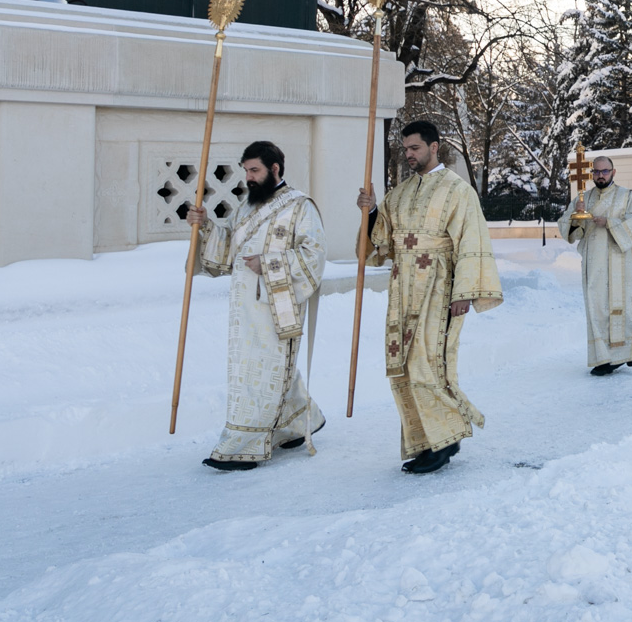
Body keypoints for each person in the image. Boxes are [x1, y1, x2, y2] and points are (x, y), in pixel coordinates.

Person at [358, 119, 503, 475]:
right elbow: (380, 243)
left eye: (415, 148)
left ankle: (444, 440)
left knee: (428, 364)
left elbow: (473, 242)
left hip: (438, 288)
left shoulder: (458, 190)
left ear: (434, 147)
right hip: (403, 289)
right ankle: (428, 440)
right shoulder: (401, 192)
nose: (408, 155)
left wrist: (465, 292)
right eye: (404, 149)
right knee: (403, 367)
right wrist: (372, 209)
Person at [188, 140, 326, 472]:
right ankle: (297, 422)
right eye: (246, 170)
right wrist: (205, 225)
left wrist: (269, 263)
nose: (248, 177)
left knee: (262, 374)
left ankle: (243, 444)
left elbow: (314, 255)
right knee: (264, 371)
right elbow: (227, 249)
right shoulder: (247, 208)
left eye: (254, 170)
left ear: (275, 169)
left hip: (278, 304)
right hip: (244, 308)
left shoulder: (300, 206)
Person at [558, 155, 632, 375]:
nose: (600, 175)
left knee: (624, 307)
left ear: (613, 172)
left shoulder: (627, 197)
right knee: (596, 309)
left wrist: (609, 223)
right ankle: (603, 359)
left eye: (605, 171)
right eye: (596, 172)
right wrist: (576, 216)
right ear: (592, 174)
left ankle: (631, 348)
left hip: (621, 261)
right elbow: (568, 229)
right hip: (594, 263)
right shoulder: (584, 198)